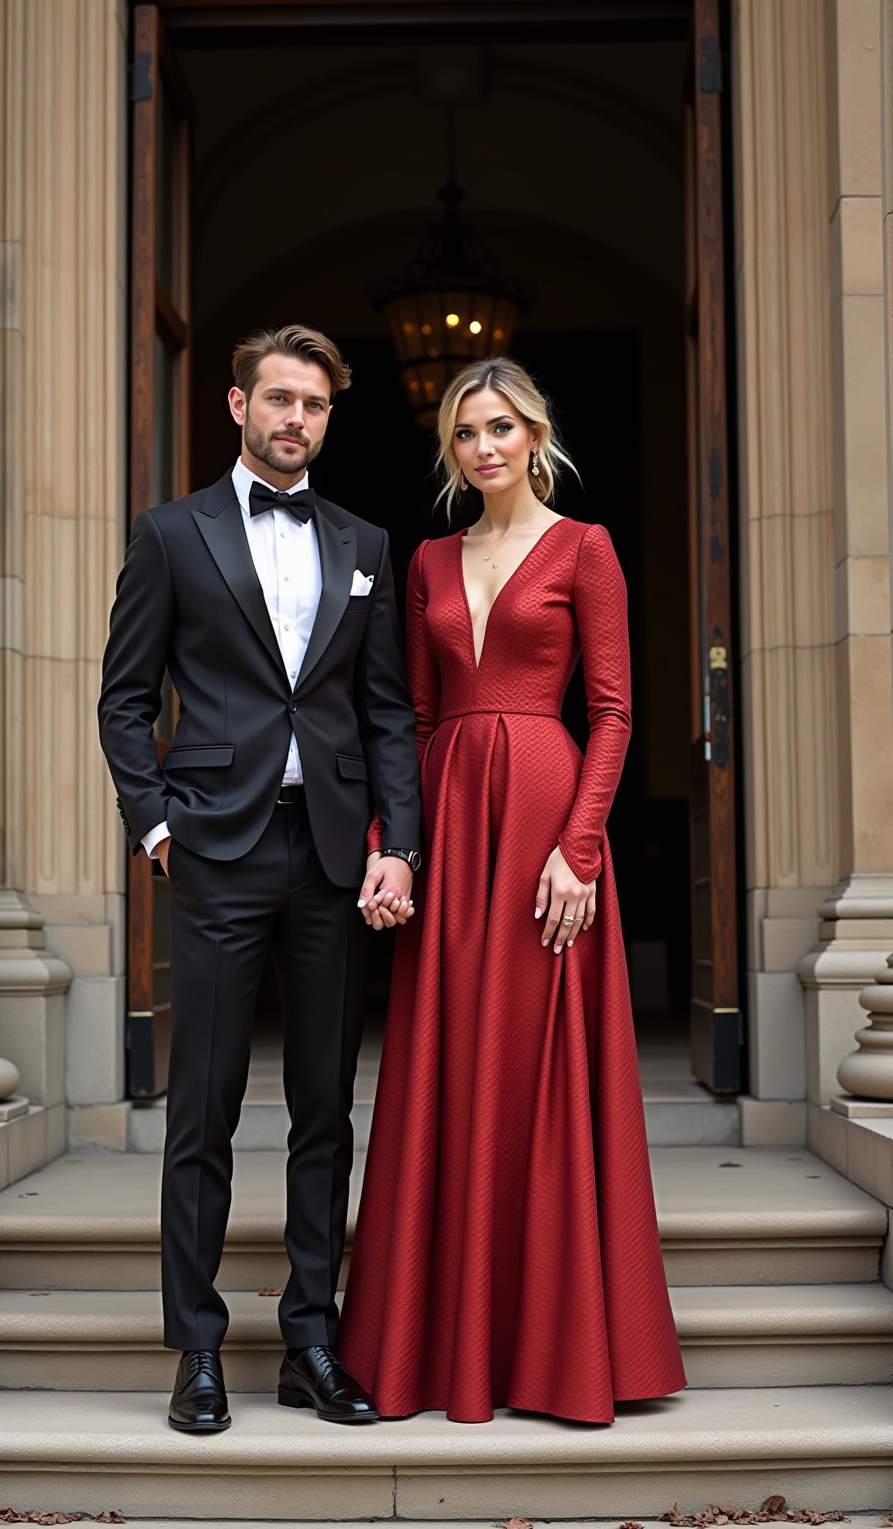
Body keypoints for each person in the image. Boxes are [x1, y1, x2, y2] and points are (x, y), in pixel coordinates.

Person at [338, 356, 686, 1424]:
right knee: (448, 1069)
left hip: (545, 829)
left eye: (499, 428)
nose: (483, 448)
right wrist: (391, 845)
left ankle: (557, 1350)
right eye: (462, 435)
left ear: (534, 434)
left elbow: (617, 711)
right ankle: (440, 1343)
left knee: (538, 1076)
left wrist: (578, 849)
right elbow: (417, 720)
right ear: (449, 451)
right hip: (451, 829)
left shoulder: (586, 549)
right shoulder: (431, 562)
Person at [97, 324, 422, 1434]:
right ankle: (195, 1350)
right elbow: (123, 698)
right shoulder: (171, 534)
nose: (296, 419)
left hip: (333, 856)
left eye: (315, 405)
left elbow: (387, 712)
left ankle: (310, 1340)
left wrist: (398, 845)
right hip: (215, 850)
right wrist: (153, 823)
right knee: (204, 1111)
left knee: (324, 1111)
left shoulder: (366, 540)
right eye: (278, 399)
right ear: (237, 407)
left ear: (330, 417)